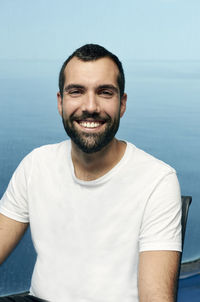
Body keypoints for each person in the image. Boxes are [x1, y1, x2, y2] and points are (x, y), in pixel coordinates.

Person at [0, 44, 182, 302]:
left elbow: (155, 297)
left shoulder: (157, 181)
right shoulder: (35, 164)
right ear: (60, 102)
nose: (90, 106)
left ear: (122, 104)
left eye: (105, 92)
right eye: (76, 91)